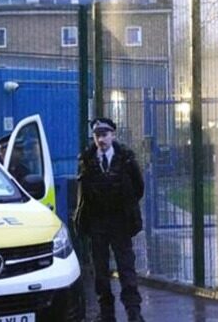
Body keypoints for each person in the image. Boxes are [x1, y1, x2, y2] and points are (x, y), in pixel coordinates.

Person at [73, 118, 145, 322]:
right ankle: (106, 314)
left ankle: (134, 312)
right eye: (97, 136)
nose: (101, 140)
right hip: (97, 222)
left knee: (126, 268)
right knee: (100, 270)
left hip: (120, 221)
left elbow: (138, 188)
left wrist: (126, 209)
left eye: (105, 135)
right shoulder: (87, 160)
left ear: (113, 135)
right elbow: (83, 192)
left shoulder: (126, 159)